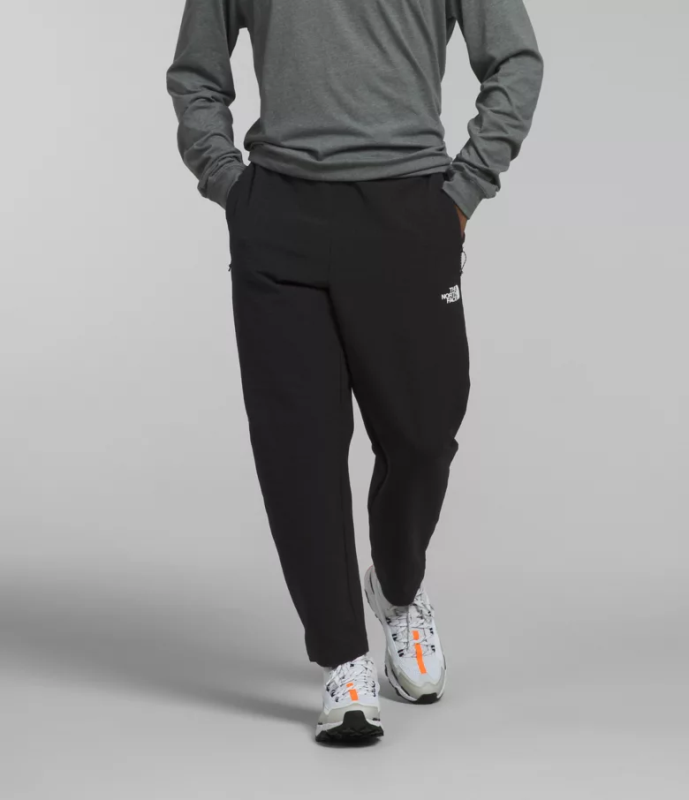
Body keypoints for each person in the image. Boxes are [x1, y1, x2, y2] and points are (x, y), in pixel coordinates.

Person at [166, 0, 543, 743]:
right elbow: (195, 73)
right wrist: (229, 182)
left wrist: (466, 187)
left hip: (409, 209)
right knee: (298, 451)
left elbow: (516, 60)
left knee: (423, 437)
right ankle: (342, 660)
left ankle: (397, 589)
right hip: (280, 215)